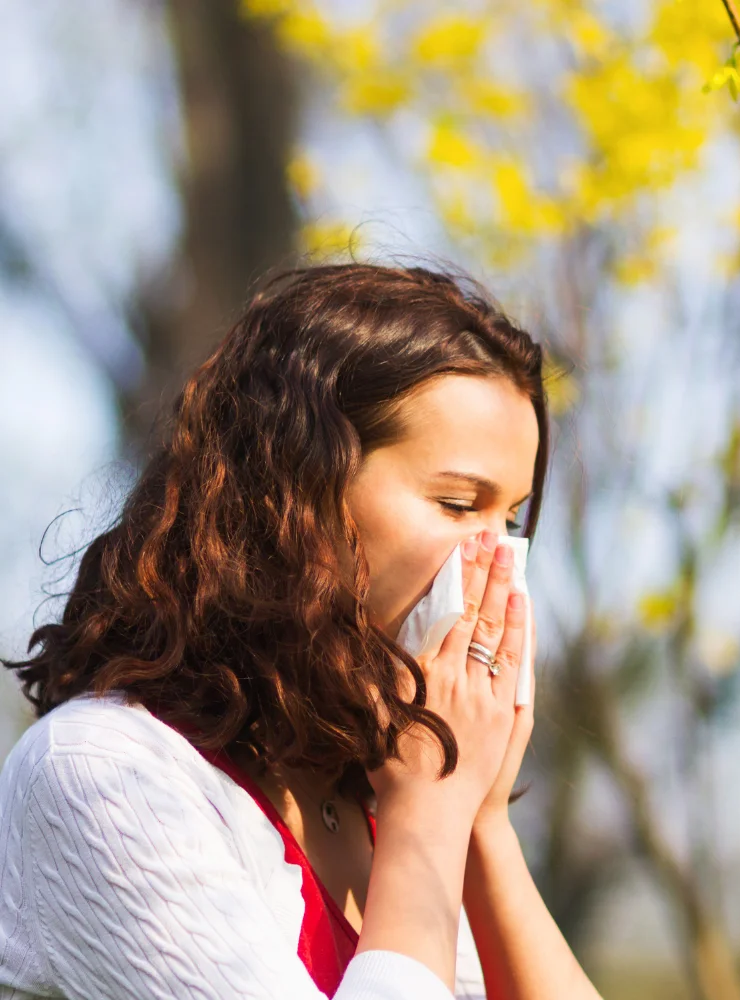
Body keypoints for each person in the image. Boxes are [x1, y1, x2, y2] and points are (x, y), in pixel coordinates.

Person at [0, 262, 603, 1000]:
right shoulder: (104, 774)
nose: (500, 565)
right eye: (455, 504)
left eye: (509, 520)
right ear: (296, 497)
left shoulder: (392, 796)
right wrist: (429, 820)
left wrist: (477, 822)